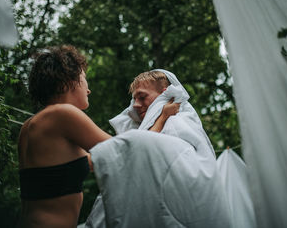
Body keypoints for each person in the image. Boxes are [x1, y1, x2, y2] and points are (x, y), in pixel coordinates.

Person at [17, 45, 179, 228]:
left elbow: (84, 164)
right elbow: (129, 153)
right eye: (84, 80)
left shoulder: (29, 126)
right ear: (69, 81)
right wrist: (163, 117)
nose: (88, 90)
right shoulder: (62, 114)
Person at [85, 69, 230, 228]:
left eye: (142, 96)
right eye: (134, 100)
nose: (136, 105)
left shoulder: (175, 124)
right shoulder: (161, 124)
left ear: (165, 94)